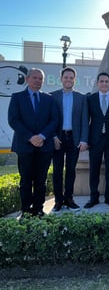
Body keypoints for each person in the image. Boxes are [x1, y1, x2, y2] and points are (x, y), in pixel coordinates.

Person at [8, 68, 58, 218]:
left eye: (40, 79)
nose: (38, 81)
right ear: (28, 79)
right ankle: (25, 210)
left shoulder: (48, 98)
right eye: (35, 78)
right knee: (26, 180)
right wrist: (31, 137)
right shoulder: (17, 97)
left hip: (44, 146)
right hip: (25, 146)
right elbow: (13, 120)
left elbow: (54, 120)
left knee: (40, 180)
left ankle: (38, 209)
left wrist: (42, 136)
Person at [50, 67, 89, 212]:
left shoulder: (81, 97)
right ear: (61, 79)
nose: (68, 80)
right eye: (66, 77)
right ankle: (58, 201)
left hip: (74, 138)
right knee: (58, 171)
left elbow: (85, 120)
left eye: (71, 77)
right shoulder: (52, 96)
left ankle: (69, 198)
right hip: (58, 139)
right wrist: (53, 136)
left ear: (75, 80)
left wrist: (84, 139)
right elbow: (49, 119)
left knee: (71, 170)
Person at [84, 72, 109, 209]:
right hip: (95, 140)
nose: (104, 83)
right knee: (94, 169)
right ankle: (93, 197)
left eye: (106, 81)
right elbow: (86, 121)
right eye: (102, 81)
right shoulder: (90, 99)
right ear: (97, 83)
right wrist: (86, 139)